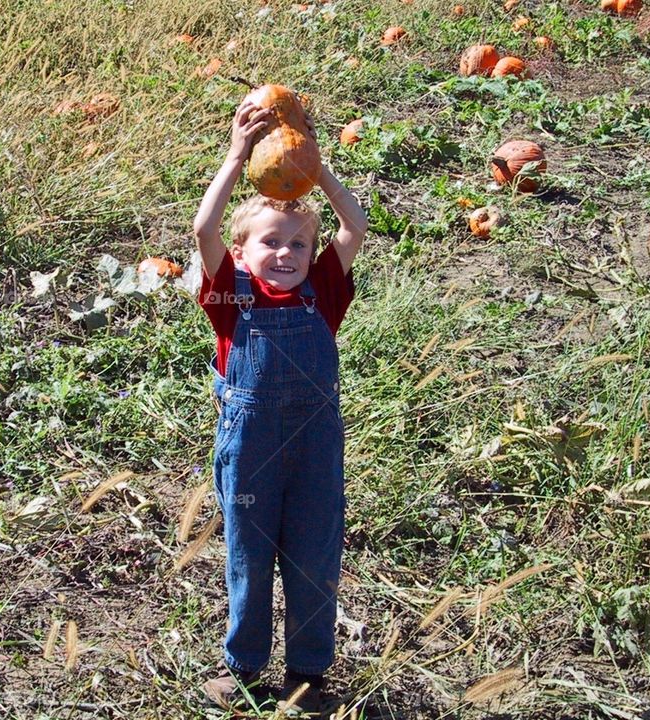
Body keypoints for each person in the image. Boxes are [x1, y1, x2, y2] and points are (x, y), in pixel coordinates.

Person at [193, 96, 368, 715]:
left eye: (299, 243)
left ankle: (308, 676)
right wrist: (239, 155)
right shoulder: (229, 295)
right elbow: (204, 229)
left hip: (316, 450)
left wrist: (312, 165)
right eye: (272, 242)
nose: (287, 253)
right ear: (242, 253)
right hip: (252, 451)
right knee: (249, 550)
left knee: (315, 553)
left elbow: (355, 226)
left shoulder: (322, 292)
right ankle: (242, 666)